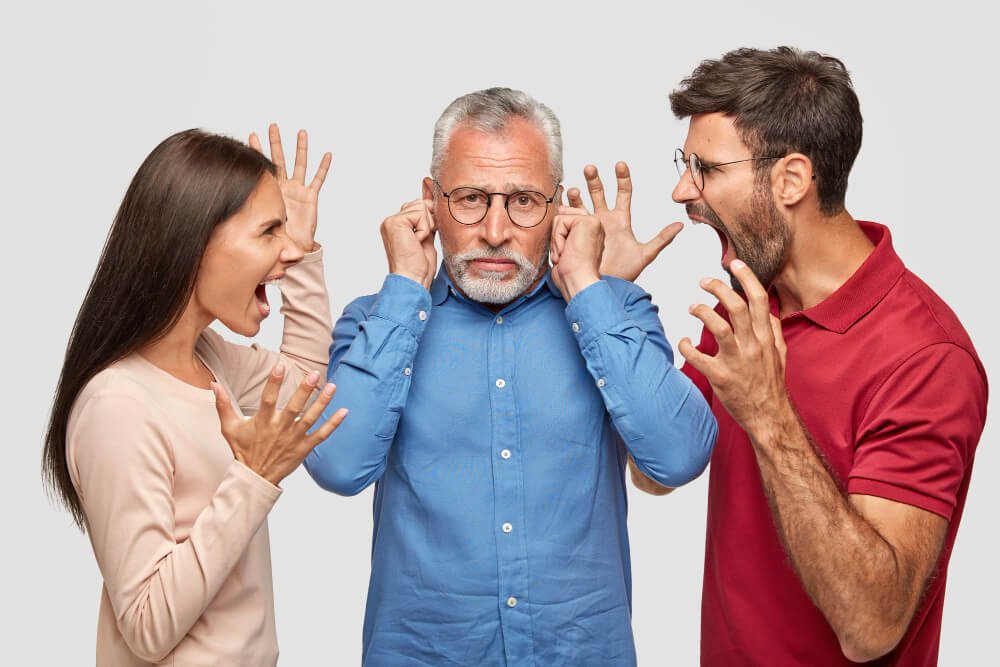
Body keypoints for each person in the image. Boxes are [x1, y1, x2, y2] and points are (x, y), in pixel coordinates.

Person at [586, 46, 987, 665]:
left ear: (792, 179)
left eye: (707, 168)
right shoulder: (750, 304)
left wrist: (768, 414)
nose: (680, 190)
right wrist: (609, 301)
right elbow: (656, 469)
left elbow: (872, 626)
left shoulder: (927, 358)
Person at [304, 87, 718, 665]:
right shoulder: (375, 320)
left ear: (558, 207)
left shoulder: (615, 310)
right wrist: (404, 289)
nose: (495, 230)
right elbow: (337, 466)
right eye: (470, 199)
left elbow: (678, 457)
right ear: (429, 200)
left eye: (524, 201)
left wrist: (588, 290)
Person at [42, 126, 347, 666]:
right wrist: (252, 477)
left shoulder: (207, 357)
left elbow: (301, 383)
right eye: (269, 232)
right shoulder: (118, 406)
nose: (290, 249)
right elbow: (146, 626)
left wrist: (300, 257)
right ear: (196, 240)